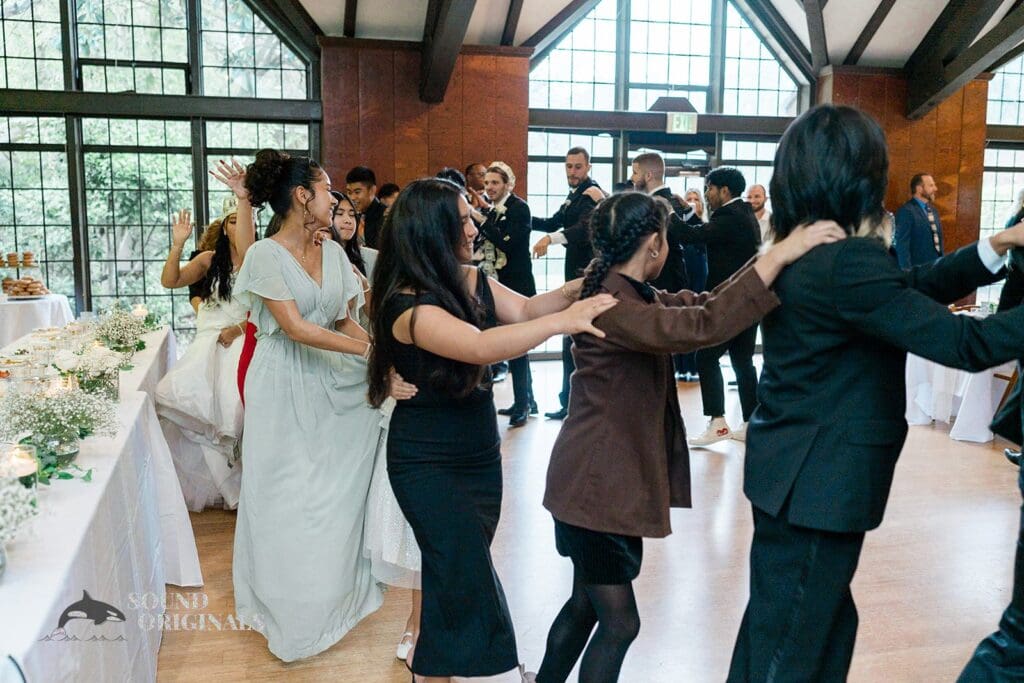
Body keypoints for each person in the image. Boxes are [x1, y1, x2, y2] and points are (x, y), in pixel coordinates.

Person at [725, 104, 1024, 683]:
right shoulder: (846, 261)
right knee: (795, 648)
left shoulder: (809, 250)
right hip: (818, 484)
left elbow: (906, 288)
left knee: (796, 629)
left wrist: (998, 244)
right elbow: (970, 345)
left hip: (794, 477)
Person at [536, 192, 845, 683]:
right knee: (619, 623)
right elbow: (701, 325)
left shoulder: (634, 293)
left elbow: (706, 303)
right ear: (655, 243)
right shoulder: (614, 304)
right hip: (594, 487)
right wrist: (780, 255)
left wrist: (773, 259)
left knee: (585, 607)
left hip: (593, 483)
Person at [368, 178, 618, 682]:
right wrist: (565, 322)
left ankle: (429, 670)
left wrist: (583, 284)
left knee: (450, 576)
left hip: (479, 455)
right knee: (463, 572)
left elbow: (525, 309)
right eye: (462, 218)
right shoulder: (405, 305)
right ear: (433, 231)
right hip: (426, 462)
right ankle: (499, 671)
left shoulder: (468, 278)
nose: (475, 224)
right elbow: (482, 347)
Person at [232, 149, 382, 661]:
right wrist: (367, 351)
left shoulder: (336, 253)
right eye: (325, 188)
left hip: (329, 380)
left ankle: (327, 596)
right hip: (281, 383)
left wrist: (376, 354)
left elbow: (341, 321)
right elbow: (295, 328)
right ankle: (284, 608)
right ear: (302, 196)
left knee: (328, 494)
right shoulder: (265, 256)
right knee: (284, 495)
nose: (334, 196)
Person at [156, 160, 255, 511]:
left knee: (230, 404)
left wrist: (237, 329)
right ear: (223, 227)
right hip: (207, 338)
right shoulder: (209, 259)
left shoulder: (255, 261)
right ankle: (218, 485)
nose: (236, 226)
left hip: (239, 337)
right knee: (188, 399)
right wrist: (177, 244)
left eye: (240, 220)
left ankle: (243, 484)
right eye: (231, 221)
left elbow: (262, 310)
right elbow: (170, 281)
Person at [675, 167, 761, 445]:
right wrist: (685, 212)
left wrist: (665, 211)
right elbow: (706, 232)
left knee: (706, 357)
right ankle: (751, 423)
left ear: (724, 190)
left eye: (710, 188)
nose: (707, 194)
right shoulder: (744, 213)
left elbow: (691, 236)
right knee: (742, 360)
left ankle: (718, 422)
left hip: (732, 300)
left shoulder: (730, 216)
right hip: (749, 299)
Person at [532, 147, 606, 420]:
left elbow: (584, 230)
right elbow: (554, 221)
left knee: (573, 339)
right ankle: (569, 401)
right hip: (573, 273)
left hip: (584, 275)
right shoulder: (575, 194)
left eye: (577, 166)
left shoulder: (591, 194)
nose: (572, 171)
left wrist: (550, 240)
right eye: (568, 166)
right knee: (570, 339)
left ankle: (575, 403)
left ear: (588, 167)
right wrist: (520, 220)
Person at [475, 162, 537, 427]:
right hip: (499, 284)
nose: (489, 188)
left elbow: (507, 244)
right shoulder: (492, 211)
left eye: (495, 183)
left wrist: (481, 219)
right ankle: (527, 400)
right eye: (487, 183)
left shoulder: (519, 208)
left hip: (518, 287)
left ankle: (523, 404)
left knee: (519, 347)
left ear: (508, 184)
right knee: (512, 346)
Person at [676, 188, 709, 382]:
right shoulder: (678, 228)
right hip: (682, 277)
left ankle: (694, 366)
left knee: (696, 319)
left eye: (696, 199)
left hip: (699, 277)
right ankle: (680, 365)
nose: (692, 202)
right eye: (689, 199)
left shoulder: (705, 227)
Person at [894, 172, 944, 268]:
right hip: (918, 271)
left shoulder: (934, 211)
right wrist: (907, 273)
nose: (935, 189)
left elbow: (938, 242)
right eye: (931, 185)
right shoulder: (906, 211)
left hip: (935, 268)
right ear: (919, 189)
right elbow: (902, 246)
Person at [346, 165, 385, 249]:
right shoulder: (351, 216)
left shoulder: (385, 217)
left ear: (372, 190)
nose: (352, 198)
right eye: (349, 192)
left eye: (357, 192)